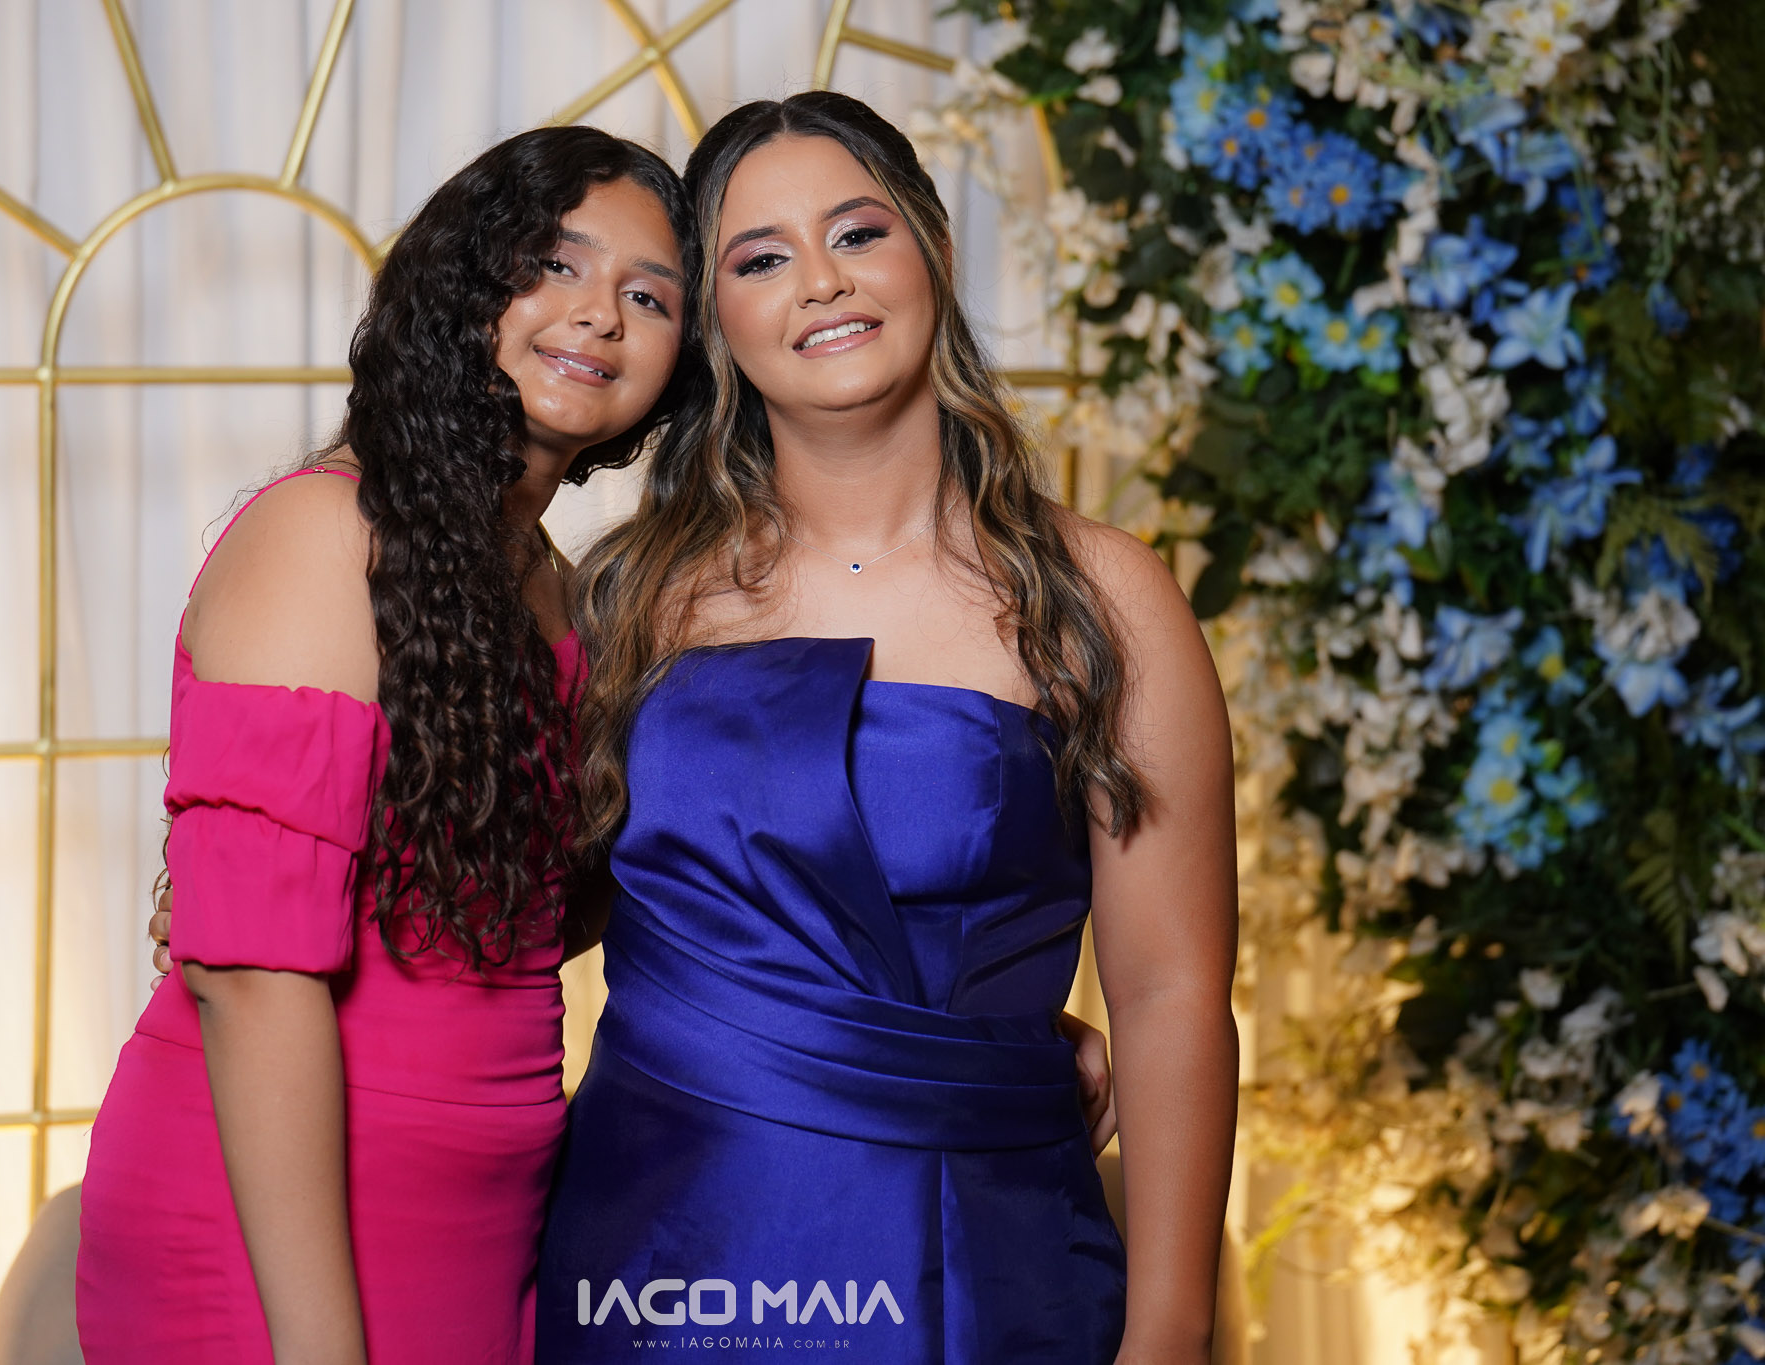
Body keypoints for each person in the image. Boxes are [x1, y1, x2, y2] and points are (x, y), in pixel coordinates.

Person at [534, 92, 1239, 1364]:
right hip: (653, 1266)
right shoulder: (628, 595)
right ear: (713, 322)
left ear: (933, 251)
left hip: (982, 1269)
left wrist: (1169, 1334)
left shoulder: (1100, 596)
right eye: (760, 260)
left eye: (856, 233)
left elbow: (1170, 990)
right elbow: (542, 907)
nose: (820, 282)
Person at [75, 124, 696, 1364]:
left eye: (648, 296)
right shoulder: (326, 531)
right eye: (554, 264)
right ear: (465, 283)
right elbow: (252, 977)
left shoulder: (557, 588)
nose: (599, 314)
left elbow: (530, 906)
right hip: (277, 1223)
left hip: (497, 1205)